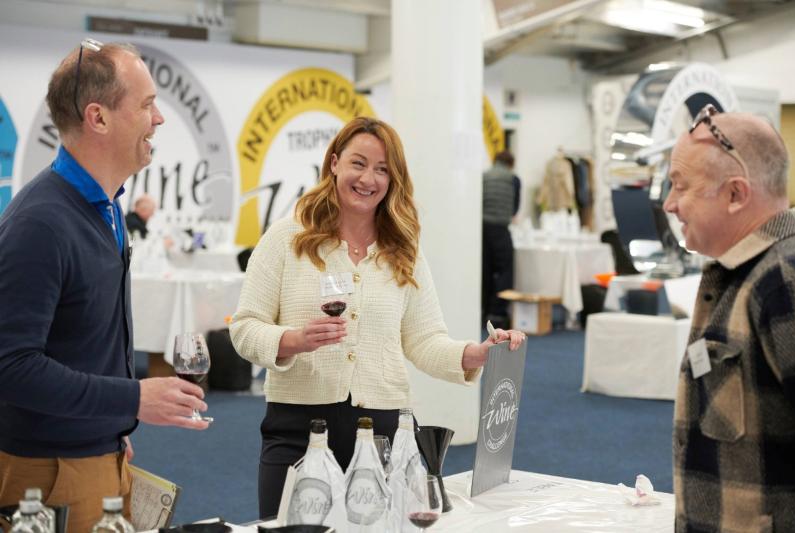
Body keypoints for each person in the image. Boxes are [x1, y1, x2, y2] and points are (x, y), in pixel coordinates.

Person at [230, 116, 526, 518]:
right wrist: (293, 341)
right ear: (334, 163)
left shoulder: (403, 250)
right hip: (298, 429)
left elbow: (424, 339)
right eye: (358, 163)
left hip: (385, 433)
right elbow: (245, 328)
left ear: (393, 179)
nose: (368, 178)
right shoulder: (286, 237)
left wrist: (476, 354)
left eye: (382, 169)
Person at [0, 39, 210, 532]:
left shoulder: (106, 207)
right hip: (50, 476)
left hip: (94, 456)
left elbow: (81, 339)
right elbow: (11, 367)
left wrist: (111, 424)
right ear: (98, 118)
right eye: (146, 105)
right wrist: (131, 400)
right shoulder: (40, 223)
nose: (158, 119)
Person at [665, 104, 795, 532]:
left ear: (736, 195)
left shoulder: (785, 281)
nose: (670, 204)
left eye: (680, 186)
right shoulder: (744, 274)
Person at [482, 150, 518, 329]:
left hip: (482, 228)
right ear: (511, 164)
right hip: (500, 228)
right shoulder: (513, 179)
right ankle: (498, 313)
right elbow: (515, 208)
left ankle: (483, 310)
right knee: (505, 271)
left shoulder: (484, 176)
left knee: (485, 270)